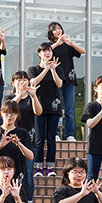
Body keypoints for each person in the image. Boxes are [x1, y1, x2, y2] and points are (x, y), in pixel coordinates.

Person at [0, 100, 34, 203]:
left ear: (17, 115)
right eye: (6, 112)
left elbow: (30, 156)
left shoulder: (23, 134)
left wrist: (19, 144)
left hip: (17, 180)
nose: (9, 115)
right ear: (1, 114)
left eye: (13, 113)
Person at [4, 71, 42, 203]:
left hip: (28, 140)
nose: (22, 82)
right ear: (13, 82)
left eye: (25, 79)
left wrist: (33, 96)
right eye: (19, 80)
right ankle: (8, 200)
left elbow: (38, 112)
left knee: (27, 174)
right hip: (9, 139)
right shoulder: (9, 98)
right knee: (9, 170)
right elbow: (7, 109)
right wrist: (19, 94)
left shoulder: (31, 97)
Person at [28, 42, 65, 177]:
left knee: (51, 139)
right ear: (39, 54)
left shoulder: (58, 69)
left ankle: (49, 167)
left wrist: (53, 70)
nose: (47, 53)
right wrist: (45, 69)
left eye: (49, 50)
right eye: (44, 51)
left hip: (54, 107)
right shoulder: (34, 69)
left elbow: (59, 84)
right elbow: (33, 82)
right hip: (38, 107)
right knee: (38, 138)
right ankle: (38, 167)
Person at [48, 22, 85, 141]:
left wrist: (71, 44)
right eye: (55, 29)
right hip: (55, 79)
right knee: (55, 108)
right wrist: (57, 43)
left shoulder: (68, 45)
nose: (58, 31)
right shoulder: (49, 46)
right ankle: (54, 134)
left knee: (69, 109)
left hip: (69, 79)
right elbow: (44, 53)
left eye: (59, 29)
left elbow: (82, 51)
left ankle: (69, 134)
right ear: (51, 32)